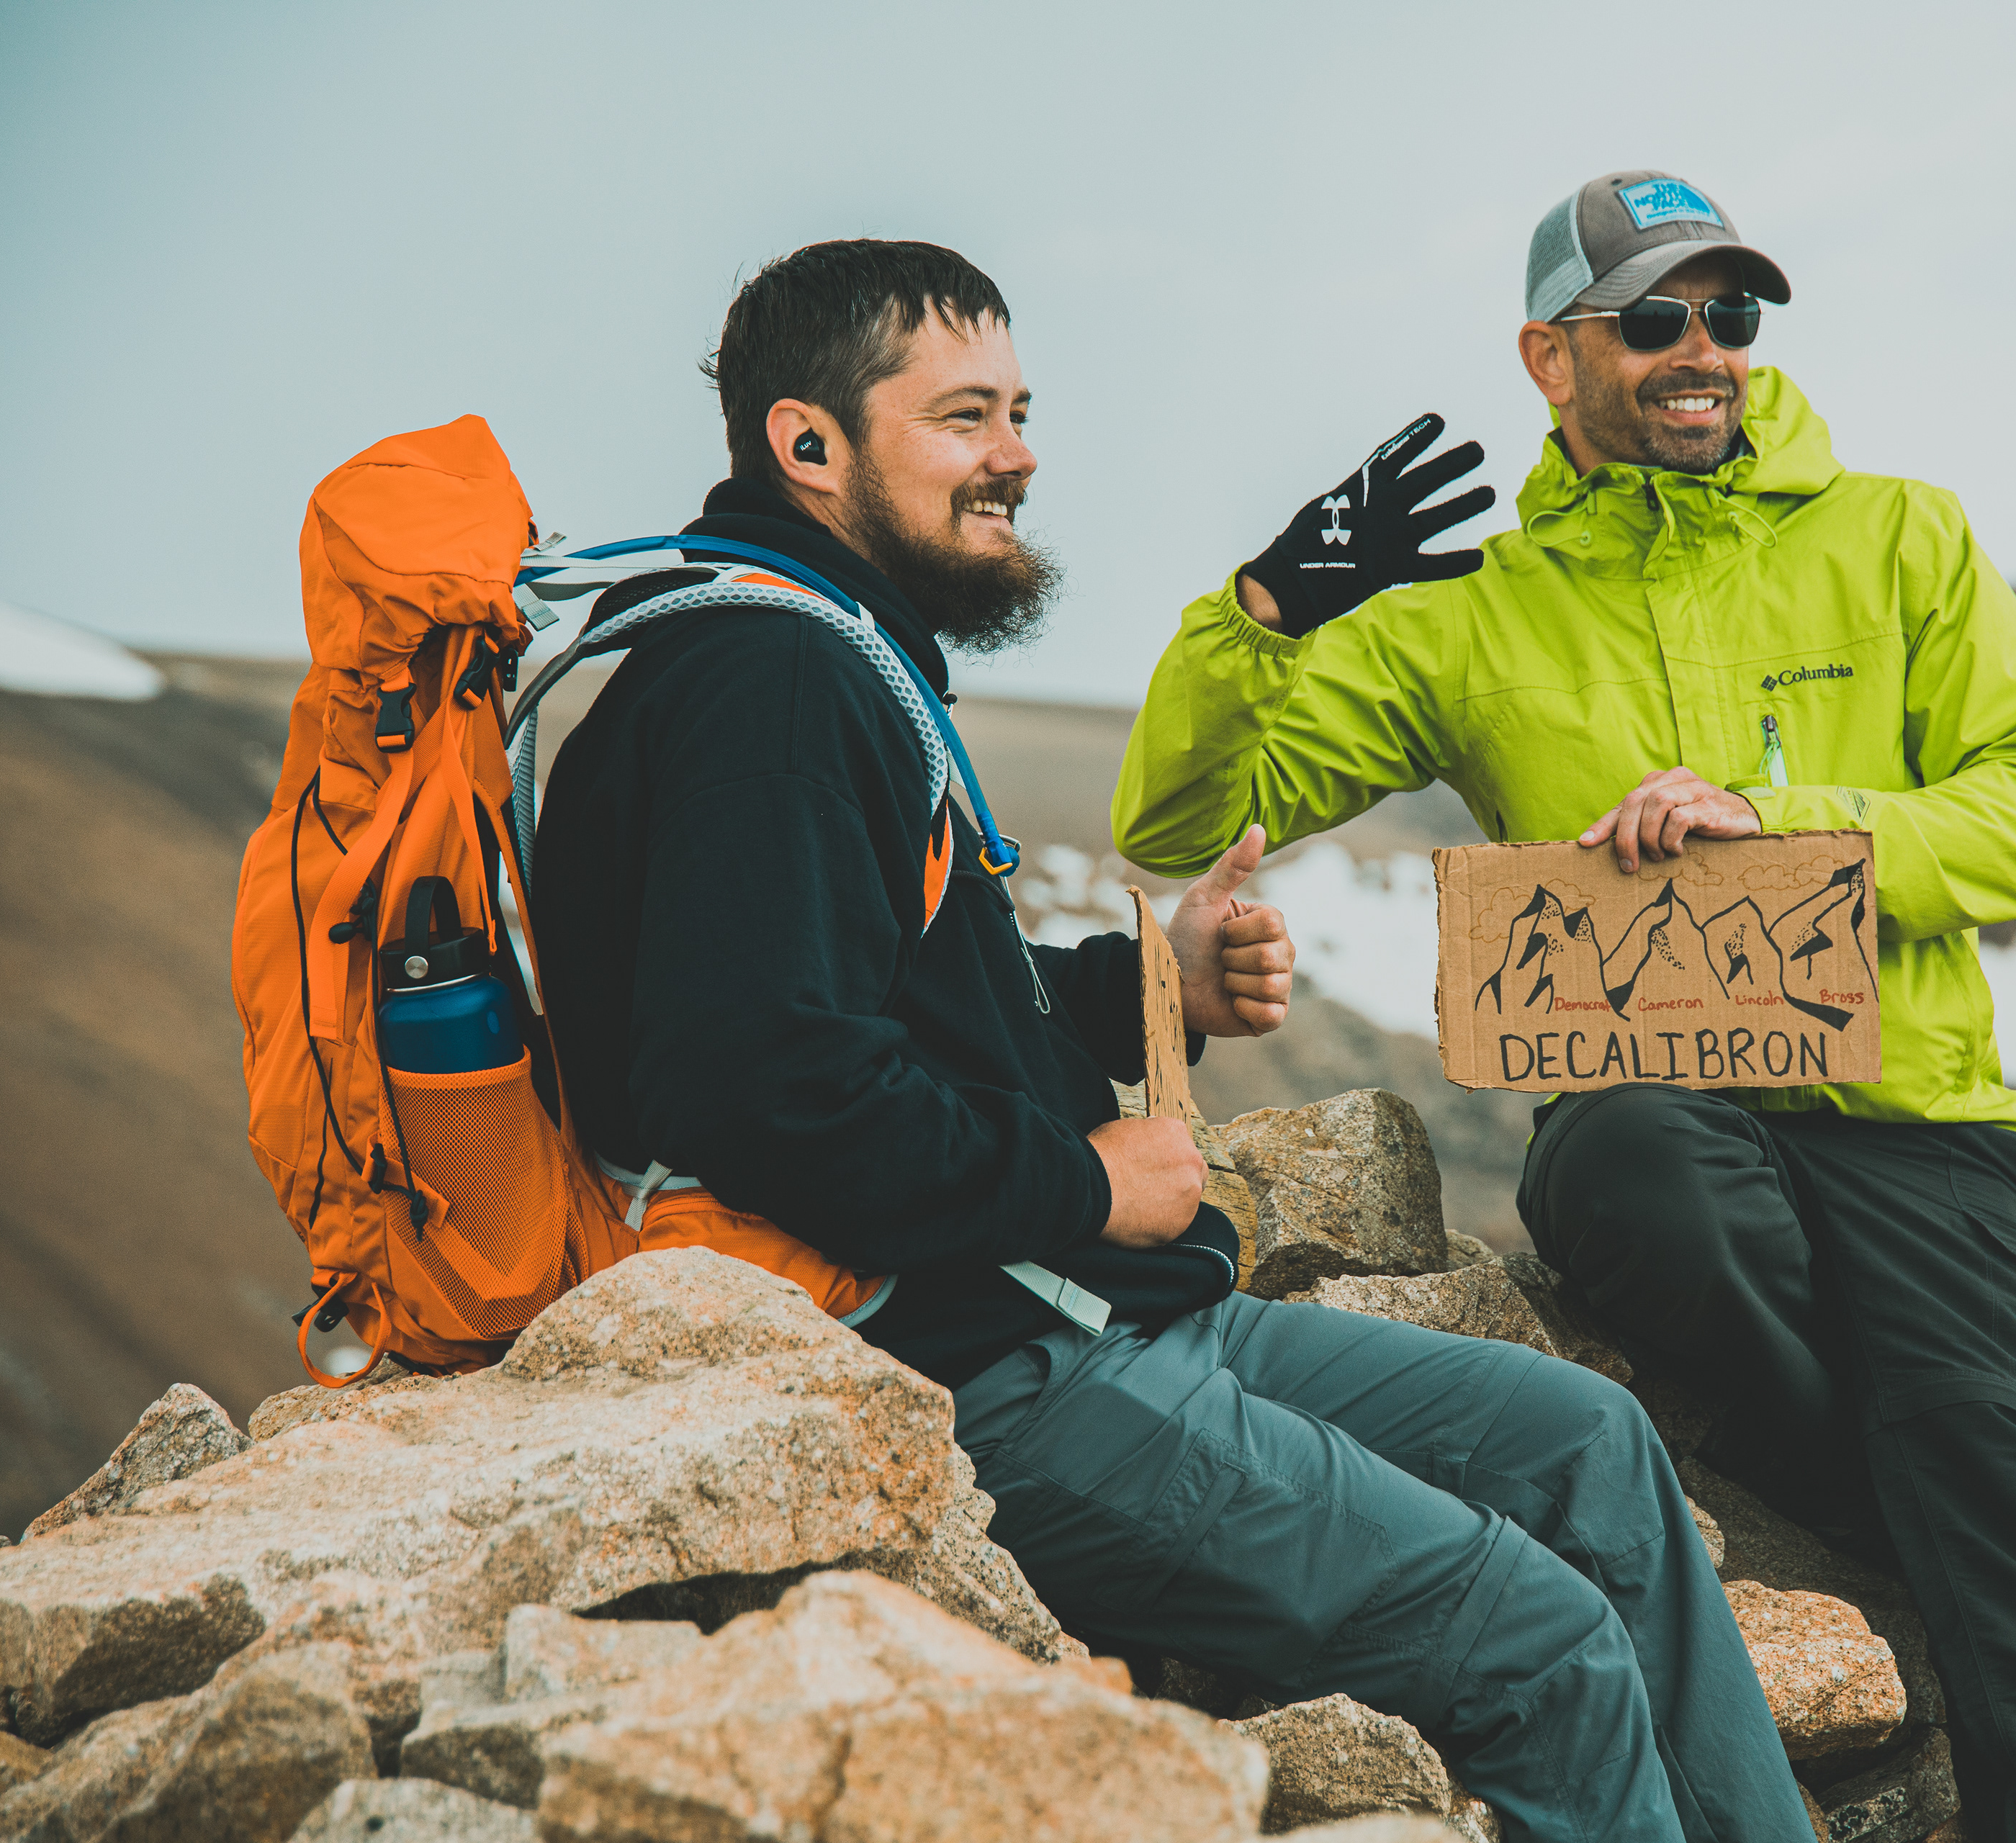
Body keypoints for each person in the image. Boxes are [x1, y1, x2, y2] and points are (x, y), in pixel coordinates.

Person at [530, 238, 1808, 1843]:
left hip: (1095, 1311)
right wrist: (1079, 1183)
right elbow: (766, 1082)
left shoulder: (831, 649)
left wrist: (1158, 992)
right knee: (1538, 1638)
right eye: (965, 418)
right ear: (809, 444)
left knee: (1592, 1445)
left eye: (1021, 408)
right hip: (977, 1365)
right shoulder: (766, 689)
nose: (1020, 453)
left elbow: (905, 1005)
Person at [1112, 173, 2016, 1841]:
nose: (1705, 351)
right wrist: (1258, 614)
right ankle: (1924, 1480)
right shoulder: (1472, 610)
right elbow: (1179, 826)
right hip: (1656, 1119)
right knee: (1631, 1174)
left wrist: (1793, 827)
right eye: (1657, 318)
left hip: (1918, 1131)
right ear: (1553, 357)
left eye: (1732, 315)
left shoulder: (1900, 533)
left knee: (2013, 1491)